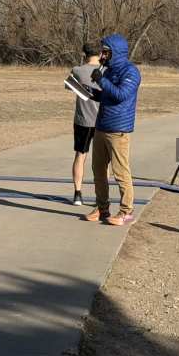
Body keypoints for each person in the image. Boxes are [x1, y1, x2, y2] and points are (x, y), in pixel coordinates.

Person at [83, 34, 141, 226]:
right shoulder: (107, 71)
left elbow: (120, 95)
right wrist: (88, 92)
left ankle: (126, 211)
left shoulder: (131, 72)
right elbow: (106, 96)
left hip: (118, 129)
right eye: (102, 52)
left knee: (120, 171)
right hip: (101, 126)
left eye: (106, 52)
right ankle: (102, 208)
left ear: (116, 52)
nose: (102, 56)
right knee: (98, 170)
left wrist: (102, 81)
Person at [67, 42, 101, 206]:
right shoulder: (106, 71)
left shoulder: (77, 70)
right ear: (100, 54)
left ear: (84, 54)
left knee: (80, 156)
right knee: (103, 160)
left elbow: (70, 87)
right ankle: (101, 197)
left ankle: (77, 194)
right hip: (103, 120)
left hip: (83, 120)